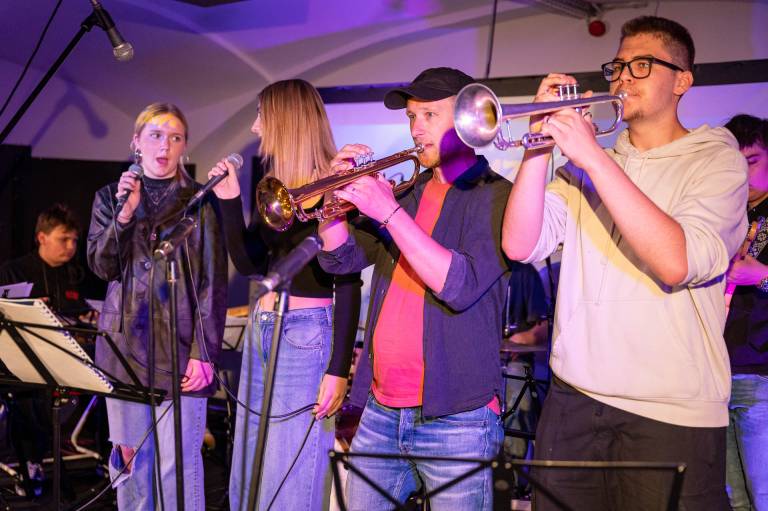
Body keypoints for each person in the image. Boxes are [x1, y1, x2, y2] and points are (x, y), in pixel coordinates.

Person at [501, 16, 747, 510]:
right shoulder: (588, 167)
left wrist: (593, 157)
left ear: (682, 81)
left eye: (642, 65)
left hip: (669, 413)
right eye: (617, 67)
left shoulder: (716, 160)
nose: (622, 78)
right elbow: (520, 245)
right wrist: (538, 147)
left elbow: (676, 262)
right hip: (572, 401)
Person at [317, 67, 509, 511]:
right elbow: (339, 258)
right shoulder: (408, 192)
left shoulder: (496, 195)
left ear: (467, 120)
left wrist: (388, 213)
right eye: (411, 117)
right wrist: (331, 197)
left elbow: (459, 285)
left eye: (429, 115)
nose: (416, 128)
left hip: (457, 417)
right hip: (381, 408)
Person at [206, 78, 361, 511]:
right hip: (264, 327)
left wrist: (338, 369)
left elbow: (348, 279)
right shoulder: (277, 186)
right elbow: (252, 265)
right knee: (249, 466)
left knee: (290, 472)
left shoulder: (336, 180)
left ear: (285, 120)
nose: (255, 128)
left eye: (261, 116)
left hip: (305, 334)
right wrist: (230, 200)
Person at [87, 103, 227, 510]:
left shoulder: (200, 201)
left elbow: (212, 282)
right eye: (155, 135)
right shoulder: (109, 198)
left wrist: (204, 352)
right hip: (123, 352)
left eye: (175, 138)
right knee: (133, 469)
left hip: (180, 353)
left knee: (176, 468)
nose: (165, 146)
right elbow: (102, 267)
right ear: (136, 142)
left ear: (184, 146)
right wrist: (125, 216)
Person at [0, 203, 91, 498]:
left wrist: (88, 317)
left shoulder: (75, 274)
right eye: (64, 239)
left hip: (64, 359)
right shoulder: (13, 271)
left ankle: (111, 455)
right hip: (20, 360)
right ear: (42, 237)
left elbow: (82, 314)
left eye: (74, 240)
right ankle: (32, 461)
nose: (71, 246)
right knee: (32, 392)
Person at [723, 113, 768, 511]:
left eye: (752, 161)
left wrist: (764, 276)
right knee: (734, 499)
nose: (743, 173)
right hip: (721, 371)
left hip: (762, 374)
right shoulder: (728, 216)